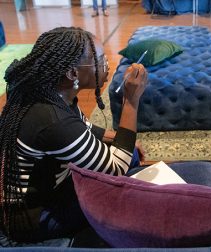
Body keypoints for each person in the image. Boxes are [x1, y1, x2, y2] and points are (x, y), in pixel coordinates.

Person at [0, 27, 147, 243]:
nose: (107, 63)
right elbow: (117, 168)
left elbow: (83, 127)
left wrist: (116, 137)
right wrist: (131, 101)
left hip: (49, 187)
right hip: (34, 216)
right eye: (99, 59)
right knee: (118, 191)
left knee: (129, 151)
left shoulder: (50, 94)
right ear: (73, 73)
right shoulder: (53, 120)